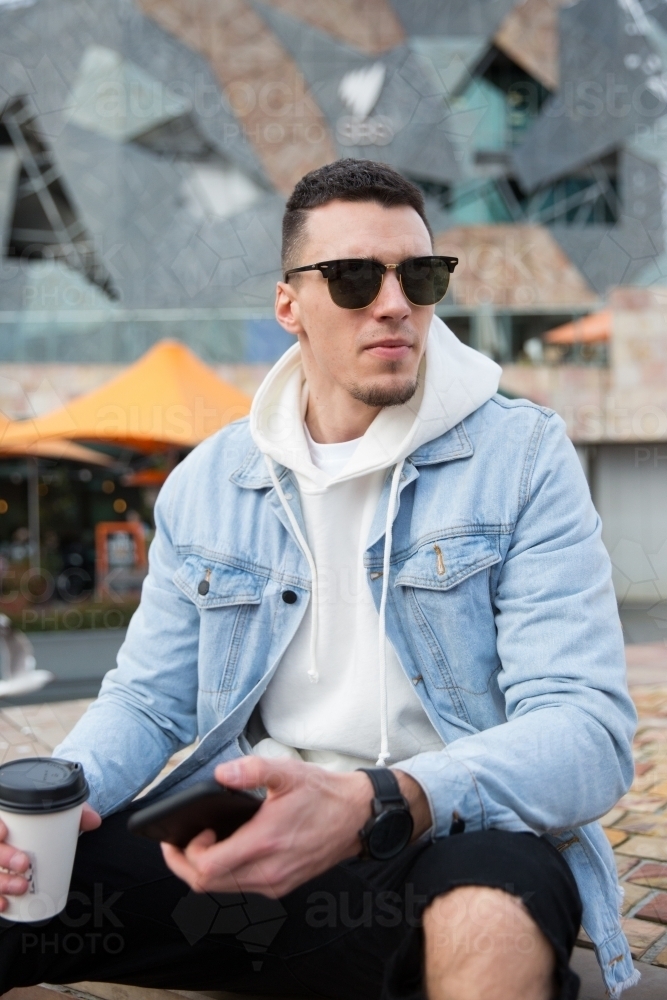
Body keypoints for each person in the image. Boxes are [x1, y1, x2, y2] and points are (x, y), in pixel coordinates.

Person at [0, 160, 636, 1000]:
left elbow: (586, 731)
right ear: (288, 306)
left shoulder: (521, 458)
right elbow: (149, 700)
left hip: (444, 827)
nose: (394, 302)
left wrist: (385, 797)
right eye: (352, 277)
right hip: (240, 832)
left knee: (488, 921)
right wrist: (61, 804)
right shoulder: (211, 478)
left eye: (420, 274)